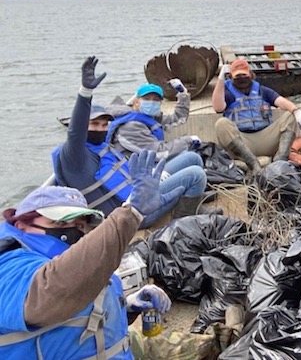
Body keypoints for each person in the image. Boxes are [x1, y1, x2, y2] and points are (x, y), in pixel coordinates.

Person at [0, 150, 173, 359]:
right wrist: (132, 213)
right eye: (60, 222)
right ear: (22, 225)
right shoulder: (8, 263)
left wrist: (125, 306)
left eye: (80, 225)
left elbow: (68, 319)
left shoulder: (66, 262)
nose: (71, 231)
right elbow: (47, 293)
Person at [52, 57, 215, 227]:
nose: (100, 129)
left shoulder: (102, 147)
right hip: (129, 213)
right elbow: (75, 132)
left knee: (192, 158)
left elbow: (176, 118)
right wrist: (85, 92)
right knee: (196, 174)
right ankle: (183, 224)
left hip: (140, 190)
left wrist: (183, 94)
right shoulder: (75, 157)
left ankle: (193, 206)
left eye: (103, 124)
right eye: (93, 124)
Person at [212, 58, 301, 172]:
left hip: (265, 139)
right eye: (237, 76)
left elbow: (281, 101)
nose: (241, 79)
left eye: (244, 75)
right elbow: (218, 107)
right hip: (242, 143)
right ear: (231, 77)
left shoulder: (262, 91)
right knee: (221, 124)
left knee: (290, 115)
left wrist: (296, 111)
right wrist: (220, 79)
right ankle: (253, 163)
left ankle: (280, 160)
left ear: (250, 74)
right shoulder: (228, 93)